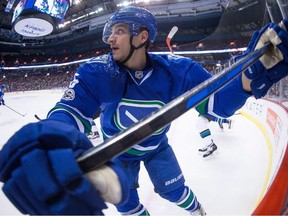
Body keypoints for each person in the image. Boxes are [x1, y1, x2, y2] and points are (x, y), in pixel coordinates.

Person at [0, 6, 287, 216]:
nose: (110, 39)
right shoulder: (97, 72)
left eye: (120, 32)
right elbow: (70, 111)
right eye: (110, 33)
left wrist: (250, 77)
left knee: (173, 191)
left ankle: (197, 210)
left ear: (142, 37)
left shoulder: (177, 71)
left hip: (156, 148)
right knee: (125, 202)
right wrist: (53, 136)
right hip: (118, 152)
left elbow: (217, 105)